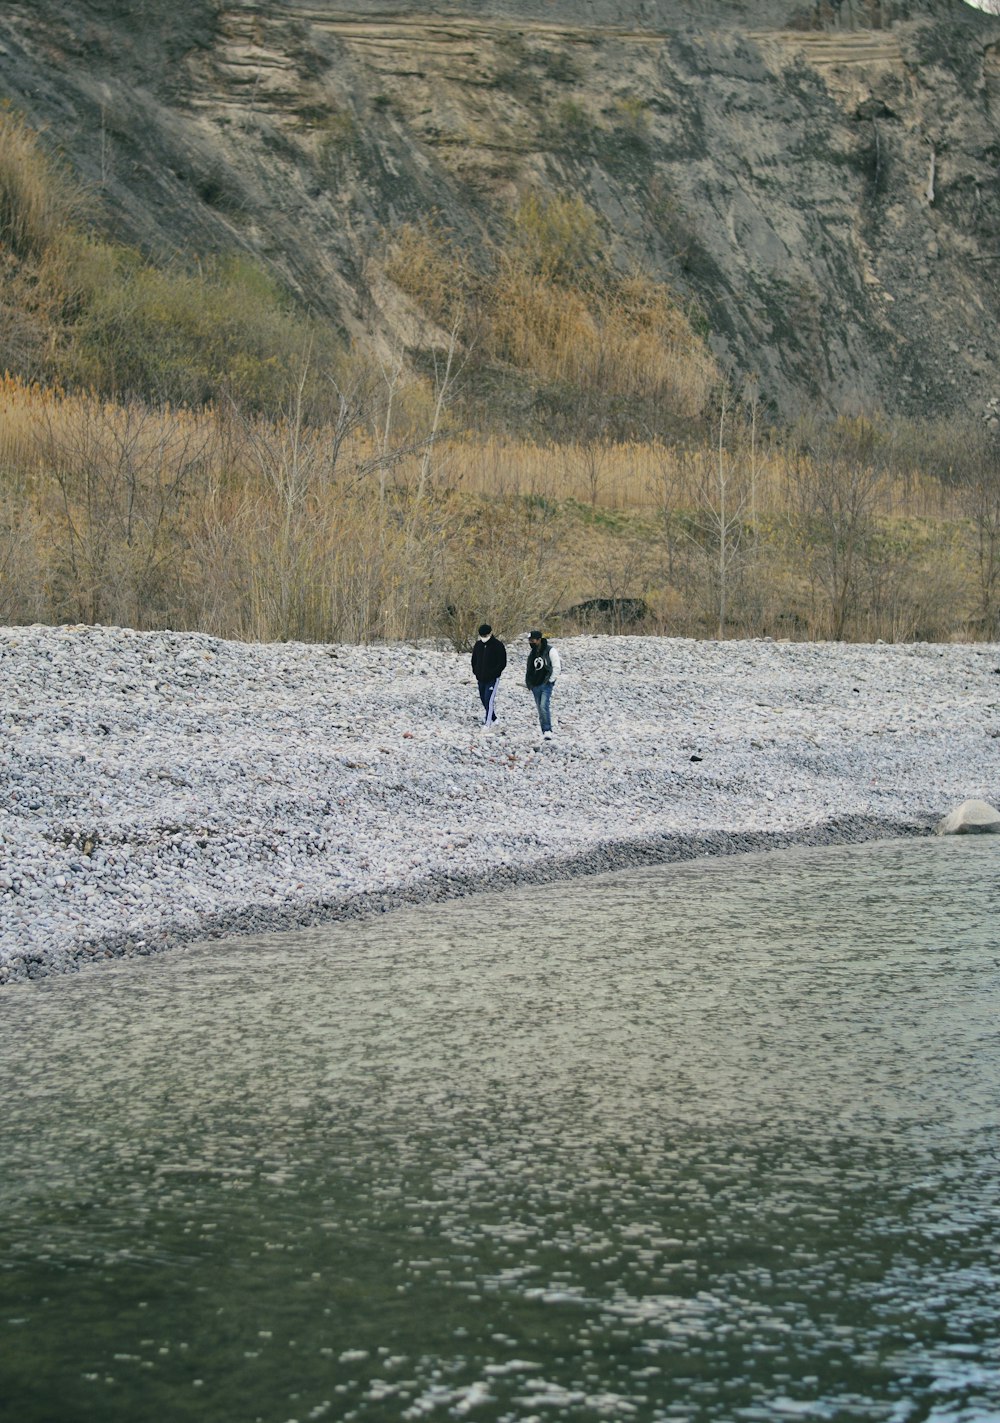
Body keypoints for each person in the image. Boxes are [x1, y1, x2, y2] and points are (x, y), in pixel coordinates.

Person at [525, 629, 561, 740]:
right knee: (540, 709)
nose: (531, 642)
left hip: (546, 684)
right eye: (529, 640)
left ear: (539, 640)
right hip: (535, 685)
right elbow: (529, 668)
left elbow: (556, 666)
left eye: (533, 640)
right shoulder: (533, 653)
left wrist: (550, 680)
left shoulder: (550, 650)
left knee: (543, 706)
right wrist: (529, 683)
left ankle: (548, 730)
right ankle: (544, 730)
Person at [471, 623, 507, 727]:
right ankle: (494, 718)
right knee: (483, 698)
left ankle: (488, 723)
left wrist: (494, 673)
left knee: (489, 699)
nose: (484, 638)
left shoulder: (498, 645)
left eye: (485, 636)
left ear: (490, 633)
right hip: (480, 678)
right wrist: (476, 671)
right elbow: (474, 660)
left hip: (492, 679)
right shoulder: (478, 645)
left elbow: (502, 663)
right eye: (482, 636)